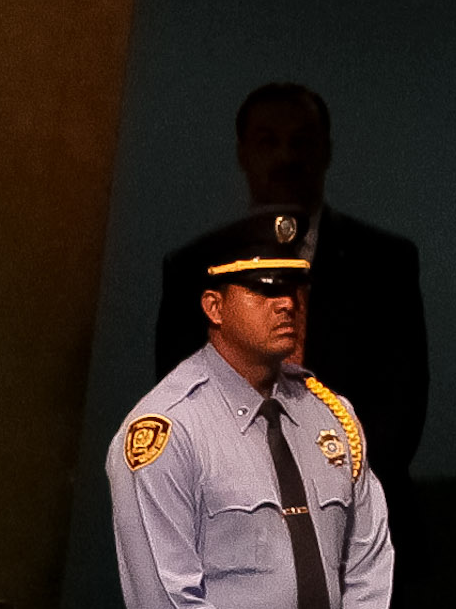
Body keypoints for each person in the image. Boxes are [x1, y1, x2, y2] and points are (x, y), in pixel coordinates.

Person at [112, 217, 395, 609]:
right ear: (214, 305)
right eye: (263, 290)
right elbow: (165, 608)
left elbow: (369, 555)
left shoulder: (330, 415)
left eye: (293, 289)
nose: (285, 304)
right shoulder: (167, 430)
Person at [152, 83, 429, 500]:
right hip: (231, 521)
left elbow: (401, 408)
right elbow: (181, 404)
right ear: (243, 154)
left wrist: (335, 497)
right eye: (269, 142)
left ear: (326, 152)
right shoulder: (193, 269)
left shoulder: (385, 263)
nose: (286, 156)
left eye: (302, 142)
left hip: (362, 515)